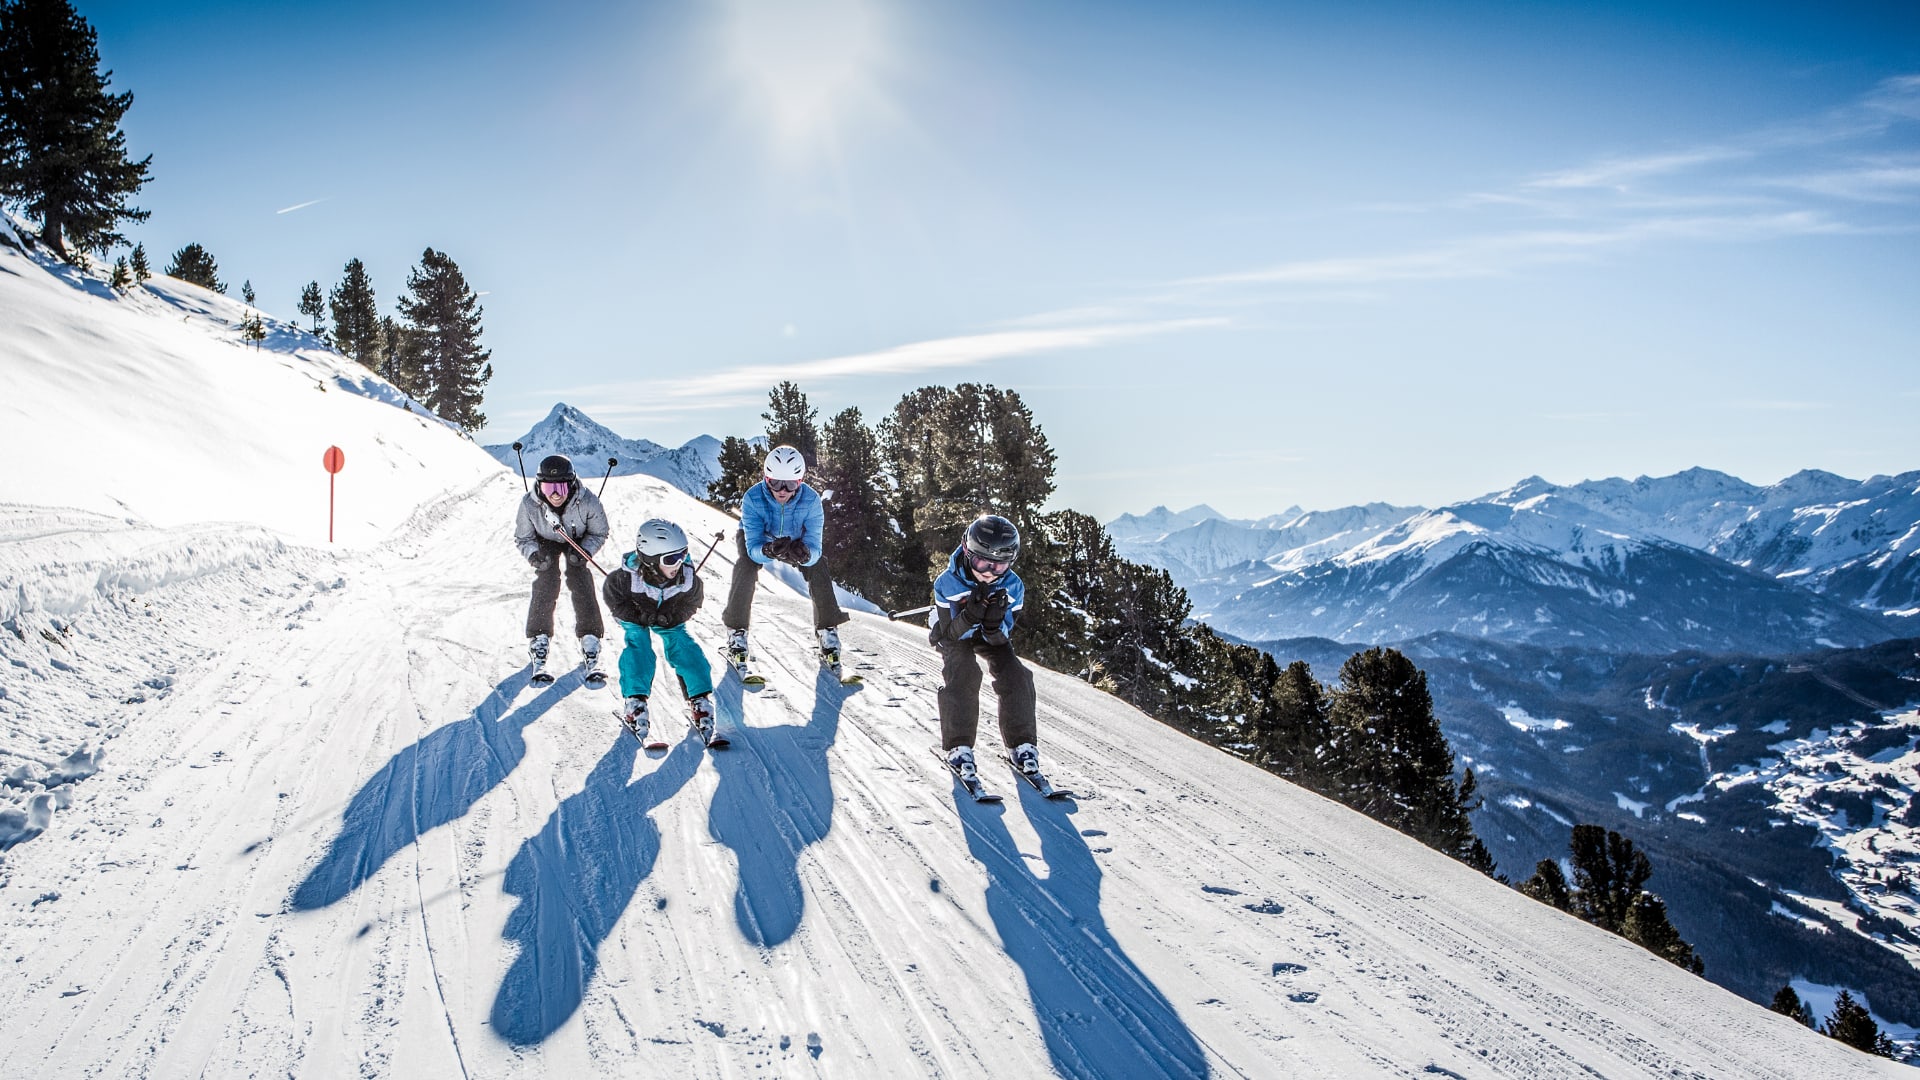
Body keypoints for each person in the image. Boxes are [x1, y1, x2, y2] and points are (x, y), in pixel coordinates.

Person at [929, 514, 1038, 782]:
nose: (988, 572)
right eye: (981, 562)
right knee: (964, 672)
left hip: (987, 634)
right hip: (954, 633)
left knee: (1016, 674)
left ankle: (1022, 744)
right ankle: (959, 746)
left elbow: (1004, 635)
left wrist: (992, 626)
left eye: (998, 567)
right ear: (967, 552)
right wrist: (969, 617)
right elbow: (950, 636)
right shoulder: (947, 583)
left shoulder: (1013, 587)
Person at [720, 444, 847, 666]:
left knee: (818, 567)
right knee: (746, 565)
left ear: (800, 482)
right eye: (775, 483)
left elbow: (815, 546)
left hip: (796, 538)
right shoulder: (753, 498)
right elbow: (753, 548)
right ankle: (737, 632)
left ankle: (827, 631)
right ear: (765, 479)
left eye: (790, 484)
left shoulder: (811, 501)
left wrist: (806, 555)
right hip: (759, 539)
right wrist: (767, 550)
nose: (782, 490)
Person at [603, 518, 717, 740]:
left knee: (684, 646)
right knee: (639, 644)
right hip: (637, 618)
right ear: (651, 560)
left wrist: (672, 616)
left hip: (668, 618)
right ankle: (635, 702)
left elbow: (692, 603)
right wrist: (636, 615)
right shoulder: (626, 577)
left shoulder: (687, 578)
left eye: (683, 554)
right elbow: (614, 599)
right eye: (672, 558)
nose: (679, 563)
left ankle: (699, 699)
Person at [513, 453, 609, 683]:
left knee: (580, 579)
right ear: (539, 487)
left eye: (561, 488)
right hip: (545, 539)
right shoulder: (529, 503)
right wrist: (534, 555)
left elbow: (600, 531)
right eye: (548, 489)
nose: (555, 495)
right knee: (546, 579)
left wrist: (584, 551)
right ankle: (539, 637)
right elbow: (523, 537)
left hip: (577, 539)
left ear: (571, 484)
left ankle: (590, 637)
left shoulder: (587, 501)